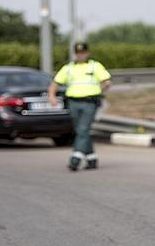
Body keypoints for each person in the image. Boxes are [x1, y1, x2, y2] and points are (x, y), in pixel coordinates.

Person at [48, 42, 112, 171]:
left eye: (83, 53)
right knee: (80, 130)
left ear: (87, 53)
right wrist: (52, 96)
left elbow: (107, 81)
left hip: (90, 102)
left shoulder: (95, 66)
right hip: (73, 102)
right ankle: (91, 158)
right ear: (75, 54)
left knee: (83, 129)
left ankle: (75, 158)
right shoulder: (69, 68)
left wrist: (100, 89)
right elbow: (55, 83)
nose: (80, 56)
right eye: (78, 53)